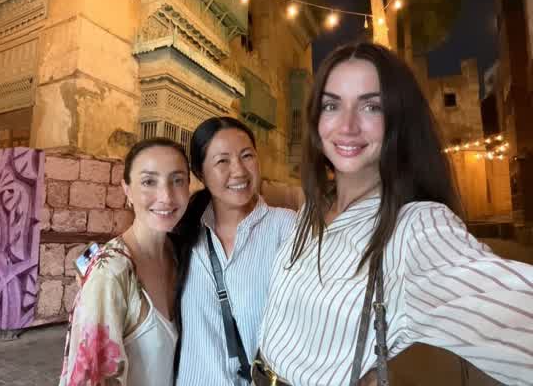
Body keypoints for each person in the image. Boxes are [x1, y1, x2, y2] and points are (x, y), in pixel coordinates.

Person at [255, 42, 533, 386]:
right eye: (331, 105)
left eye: (371, 106)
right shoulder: (313, 207)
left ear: (399, 120)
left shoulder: (415, 227)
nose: (347, 126)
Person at [173, 116, 297, 386]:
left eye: (247, 156)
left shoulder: (287, 228)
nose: (239, 171)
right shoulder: (183, 235)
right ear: (200, 173)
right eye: (222, 161)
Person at [59, 138, 190, 386]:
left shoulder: (179, 255)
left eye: (177, 180)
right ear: (127, 190)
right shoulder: (111, 272)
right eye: (149, 182)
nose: (166, 196)